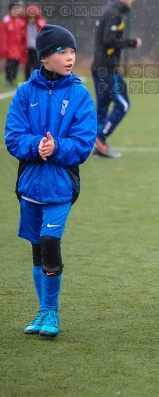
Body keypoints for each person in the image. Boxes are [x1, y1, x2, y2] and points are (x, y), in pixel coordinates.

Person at [4, 24, 97, 338]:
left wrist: (56, 146)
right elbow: (13, 137)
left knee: (49, 242)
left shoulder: (80, 94)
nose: (70, 57)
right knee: (36, 251)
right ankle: (42, 312)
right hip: (29, 186)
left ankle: (52, 312)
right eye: (62, 51)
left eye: (72, 51)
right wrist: (36, 146)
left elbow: (84, 144)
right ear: (43, 57)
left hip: (60, 185)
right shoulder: (25, 93)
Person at [91, 0, 142, 158]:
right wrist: (132, 42)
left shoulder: (110, 10)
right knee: (123, 104)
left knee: (103, 106)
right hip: (107, 69)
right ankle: (100, 139)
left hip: (100, 67)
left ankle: (98, 143)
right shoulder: (113, 12)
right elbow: (108, 40)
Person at [0, 1, 26, 87]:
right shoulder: (6, 20)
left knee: (16, 63)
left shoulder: (20, 20)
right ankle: (9, 80)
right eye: (15, 9)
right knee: (10, 64)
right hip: (10, 47)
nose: (16, 11)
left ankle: (13, 79)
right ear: (10, 10)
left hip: (18, 48)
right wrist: (4, 48)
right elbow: (3, 36)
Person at [24, 5, 45, 81]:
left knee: (37, 65)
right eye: (29, 17)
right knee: (28, 65)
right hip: (27, 47)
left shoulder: (40, 24)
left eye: (33, 17)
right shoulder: (24, 25)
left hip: (36, 48)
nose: (31, 19)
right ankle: (27, 80)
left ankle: (37, 78)